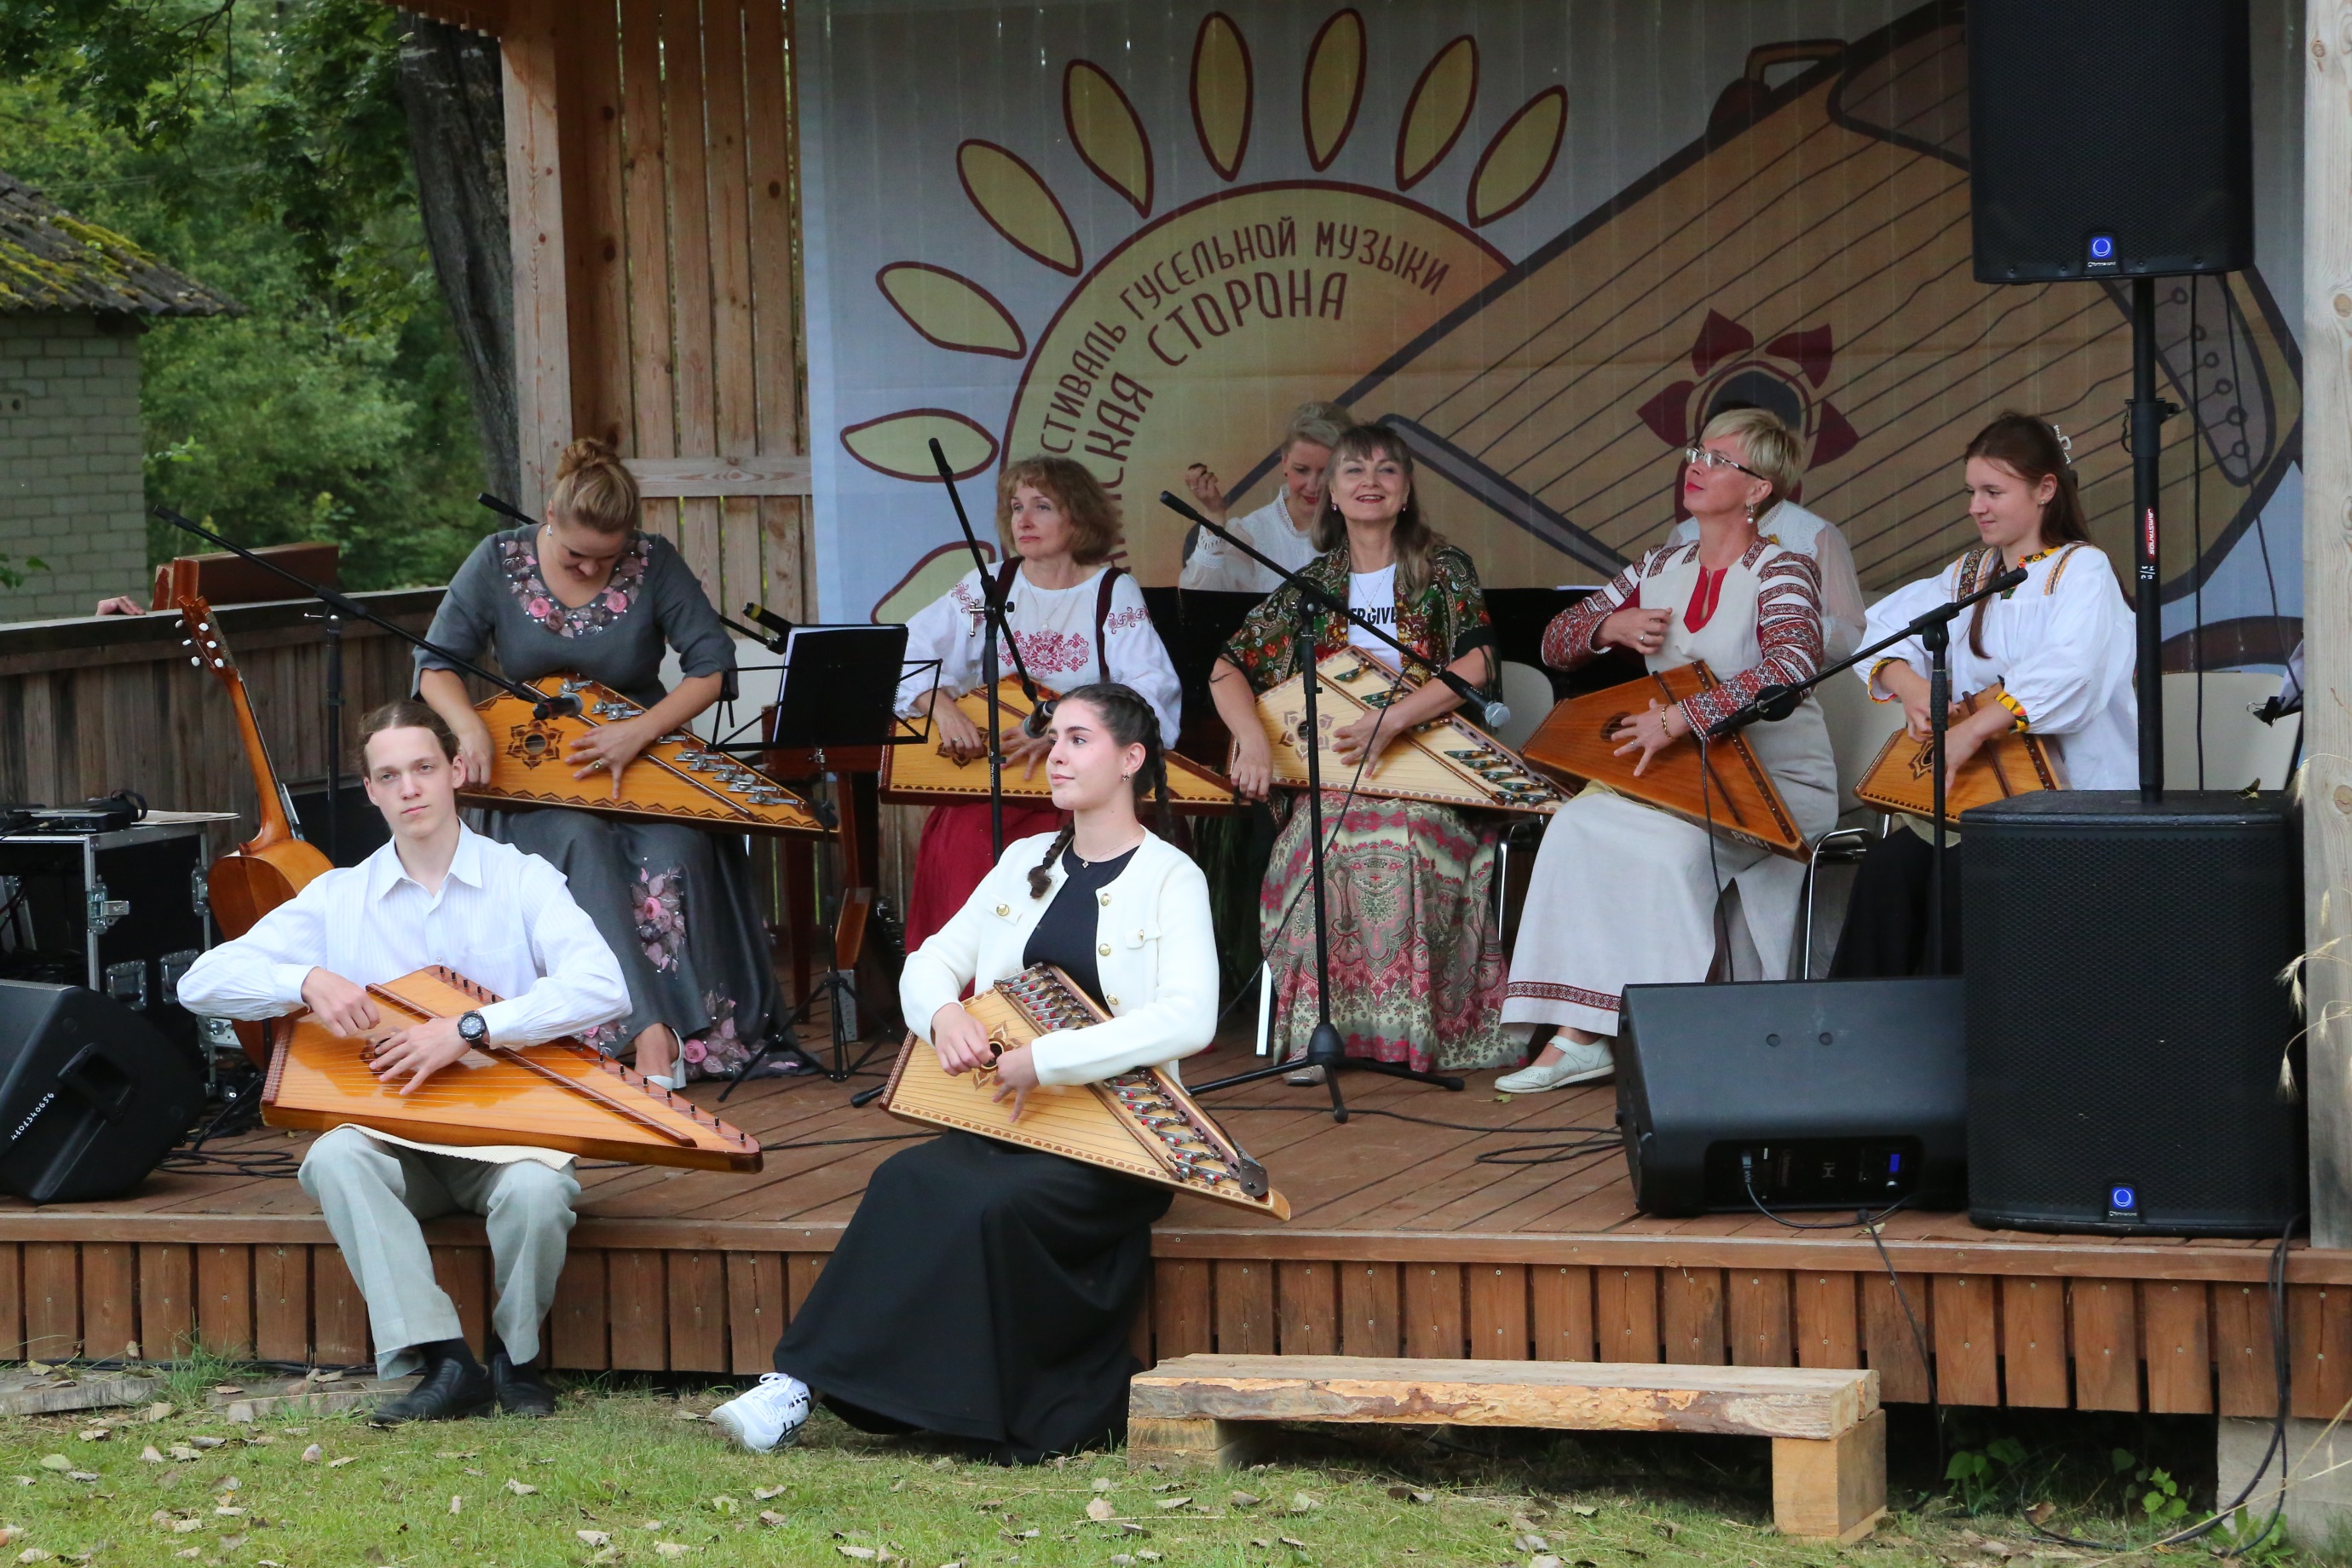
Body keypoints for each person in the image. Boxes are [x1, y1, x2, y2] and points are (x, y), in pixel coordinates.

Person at [706, 683, 1215, 1461]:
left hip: (1119, 1141)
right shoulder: (1022, 862)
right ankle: (796, 1384)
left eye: (1078, 739)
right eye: (1054, 737)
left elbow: (1189, 1018)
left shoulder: (1171, 877)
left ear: (1131, 759)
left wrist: (1047, 1059)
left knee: (990, 1203)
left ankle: (964, 1403)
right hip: (1011, 1120)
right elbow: (933, 958)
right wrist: (943, 1015)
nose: (1056, 755)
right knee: (906, 1179)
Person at [176, 700, 630, 1424]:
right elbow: (199, 983)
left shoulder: (522, 878)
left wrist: (472, 1028)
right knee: (333, 1158)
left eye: (423, 768)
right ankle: (447, 1362)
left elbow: (602, 987)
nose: (410, 788)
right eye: (390, 776)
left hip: (508, 1135)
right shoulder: (339, 896)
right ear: (371, 791)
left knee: (537, 1193)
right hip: (398, 1142)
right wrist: (303, 980)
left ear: (456, 771)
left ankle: (516, 1359)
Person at [1496, 407, 1839, 1092]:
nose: (1697, 467)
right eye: (1696, 453)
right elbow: (1554, 640)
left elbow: (1793, 665)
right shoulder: (1658, 565)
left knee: (1663, 854)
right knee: (1574, 825)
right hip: (1675, 779)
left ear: (1759, 488)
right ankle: (1582, 1032)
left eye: (1719, 460)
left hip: (1773, 786)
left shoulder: (1784, 569)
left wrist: (1686, 716)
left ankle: (1665, 1040)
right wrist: (1609, 628)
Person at [415, 437, 774, 1087]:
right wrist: (467, 727)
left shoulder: (653, 560)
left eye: (605, 558)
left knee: (674, 850)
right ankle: (650, 1033)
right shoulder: (497, 560)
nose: (587, 569)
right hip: (535, 774)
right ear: (550, 514)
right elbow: (435, 664)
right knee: (578, 842)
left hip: (644, 759)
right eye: (574, 554)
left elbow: (711, 668)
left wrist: (639, 731)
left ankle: (686, 1035)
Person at [1209, 424, 1512, 1078]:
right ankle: (1320, 1036)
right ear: (1332, 493)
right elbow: (1227, 667)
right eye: (1354, 470)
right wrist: (1252, 740)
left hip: (1428, 777)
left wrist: (1393, 720)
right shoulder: (1313, 585)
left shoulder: (1443, 568)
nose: (1370, 482)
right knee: (1324, 842)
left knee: (1401, 837)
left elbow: (1480, 660)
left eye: (1386, 470)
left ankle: (1409, 1033)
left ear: (1406, 491)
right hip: (1332, 779)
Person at [1830, 412, 2135, 977]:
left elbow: (2070, 672)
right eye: (1972, 492)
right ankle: (1855, 1023)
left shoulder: (2081, 571)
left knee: (1961, 880)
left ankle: (1956, 1025)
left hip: (2070, 797)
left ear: (2045, 489)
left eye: (1993, 492)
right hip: (1977, 797)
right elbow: (1880, 630)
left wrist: (1971, 731)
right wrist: (1912, 687)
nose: (1976, 506)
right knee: (1886, 872)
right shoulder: (1969, 575)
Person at [895, 457, 1183, 952]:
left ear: (1079, 517)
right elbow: (905, 651)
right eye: (1016, 507)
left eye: (1042, 507)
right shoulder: (988, 586)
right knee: (964, 840)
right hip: (997, 779)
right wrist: (942, 707)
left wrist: (1061, 728)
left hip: (1081, 788)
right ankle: (967, 992)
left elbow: (1150, 693)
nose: (1023, 521)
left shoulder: (1111, 591)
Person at [1178, 401, 1353, 592]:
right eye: (1301, 470)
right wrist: (1214, 515)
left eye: (1326, 472)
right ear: (1285, 462)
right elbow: (1200, 596)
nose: (1313, 486)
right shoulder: (1254, 533)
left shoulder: (1363, 526)